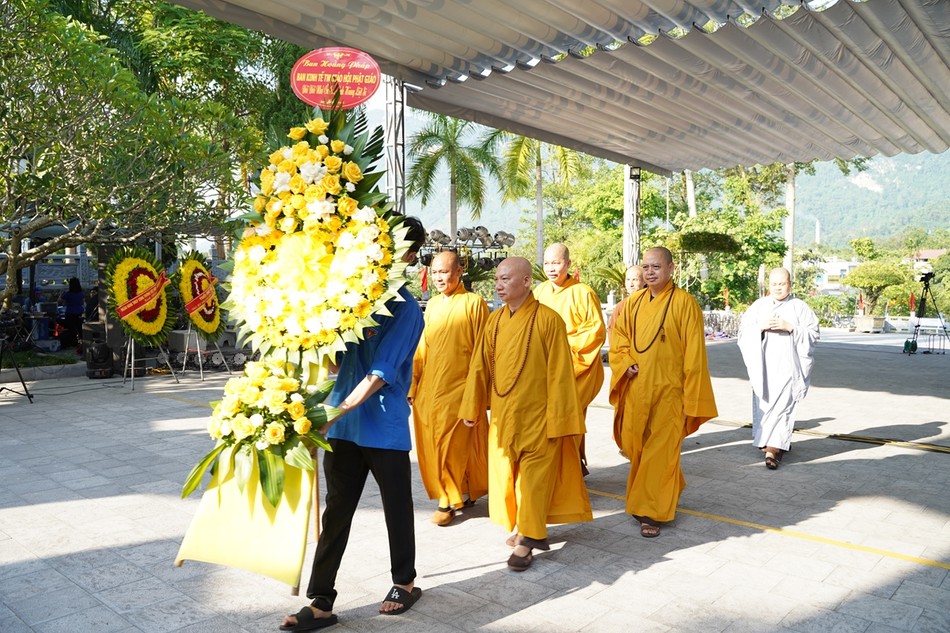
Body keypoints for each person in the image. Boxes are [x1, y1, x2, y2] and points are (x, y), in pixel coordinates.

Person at [280, 217, 426, 633]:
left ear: (410, 256)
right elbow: (337, 359)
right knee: (336, 512)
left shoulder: (407, 310)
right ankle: (321, 601)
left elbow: (380, 373)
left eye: (395, 247)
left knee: (397, 508)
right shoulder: (352, 297)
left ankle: (405, 582)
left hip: (382, 425)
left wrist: (330, 415)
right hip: (343, 428)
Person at [460, 257, 592, 572]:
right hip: (504, 417)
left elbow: (561, 374)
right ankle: (522, 526)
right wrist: (472, 406)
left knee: (533, 480)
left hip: (539, 418)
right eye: (497, 280)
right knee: (508, 478)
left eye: (506, 279)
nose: (499, 285)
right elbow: (479, 366)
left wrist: (561, 421)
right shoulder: (494, 321)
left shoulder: (549, 320)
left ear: (525, 282)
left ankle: (529, 540)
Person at [608, 247, 718, 538]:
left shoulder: (685, 303)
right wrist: (625, 363)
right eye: (646, 267)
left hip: (670, 394)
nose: (650, 272)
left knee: (660, 453)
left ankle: (651, 513)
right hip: (637, 391)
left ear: (670, 268)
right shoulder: (633, 304)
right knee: (637, 449)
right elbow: (618, 339)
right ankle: (667, 485)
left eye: (656, 266)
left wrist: (691, 395)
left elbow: (695, 354)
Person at [410, 250, 490, 526]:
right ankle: (464, 491)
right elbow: (423, 347)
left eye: (445, 272)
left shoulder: (474, 303)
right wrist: (414, 382)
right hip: (430, 389)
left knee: (449, 445)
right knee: (434, 445)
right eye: (435, 273)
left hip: (460, 388)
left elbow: (483, 350)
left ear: (459, 272)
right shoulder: (431, 305)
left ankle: (447, 500)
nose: (439, 278)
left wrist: (479, 391)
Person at [533, 243, 606, 474]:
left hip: (575, 366)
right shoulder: (539, 292)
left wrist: (562, 356)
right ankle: (571, 464)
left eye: (557, 263)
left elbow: (594, 332)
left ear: (568, 264)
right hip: (543, 367)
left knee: (568, 418)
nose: (552, 268)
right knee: (551, 420)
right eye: (547, 263)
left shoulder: (583, 292)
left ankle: (568, 470)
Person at [737, 267, 820, 470]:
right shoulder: (759, 306)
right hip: (763, 367)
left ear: (790, 284)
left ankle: (773, 450)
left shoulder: (800, 307)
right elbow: (743, 332)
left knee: (783, 407)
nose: (778, 288)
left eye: (782, 284)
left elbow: (813, 335)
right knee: (764, 404)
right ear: (769, 285)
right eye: (774, 284)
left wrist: (790, 327)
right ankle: (769, 443)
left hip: (788, 368)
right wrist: (760, 327)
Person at [607, 264, 647, 343]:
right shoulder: (622, 305)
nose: (631, 284)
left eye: (635, 280)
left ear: (644, 281)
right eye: (628, 280)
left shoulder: (652, 302)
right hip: (624, 350)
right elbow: (612, 329)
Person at [58, 277, 85, 351]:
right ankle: (80, 342)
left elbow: (59, 301)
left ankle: (73, 342)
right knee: (79, 328)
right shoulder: (81, 293)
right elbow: (82, 302)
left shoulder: (68, 294)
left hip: (70, 313)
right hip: (79, 312)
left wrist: (61, 294)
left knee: (71, 328)